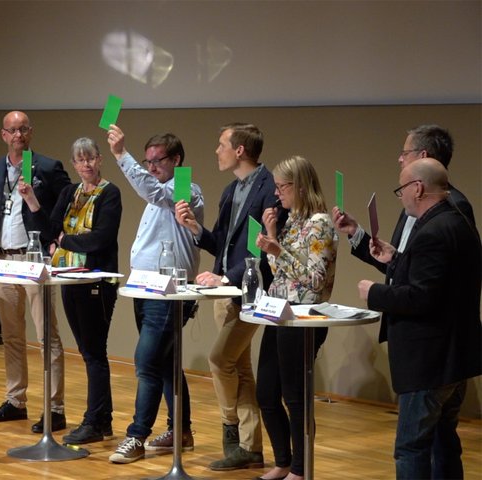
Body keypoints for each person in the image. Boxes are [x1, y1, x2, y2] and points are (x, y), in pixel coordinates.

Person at [357, 158, 480, 480]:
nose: (401, 198)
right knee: (444, 442)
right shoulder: (459, 222)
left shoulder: (432, 232)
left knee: (411, 448)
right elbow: (439, 283)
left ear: (418, 188)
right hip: (455, 358)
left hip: (429, 361)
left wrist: (374, 293)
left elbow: (421, 297)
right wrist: (395, 259)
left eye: (401, 190)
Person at [175, 123, 283, 471]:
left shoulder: (268, 188)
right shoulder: (230, 190)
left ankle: (231, 430)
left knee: (220, 359)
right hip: (225, 292)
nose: (216, 151)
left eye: (221, 144)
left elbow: (262, 251)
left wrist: (225, 277)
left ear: (239, 150)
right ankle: (250, 449)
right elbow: (221, 244)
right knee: (240, 368)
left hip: (250, 292)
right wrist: (195, 228)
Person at [0, 111, 72, 433]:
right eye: (12, 130)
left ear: (31, 133)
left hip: (34, 258)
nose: (18, 135)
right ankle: (15, 401)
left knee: (47, 335)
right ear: (3, 135)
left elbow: (65, 208)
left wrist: (43, 215)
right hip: (4, 260)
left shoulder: (48, 167)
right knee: (10, 335)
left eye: (23, 129)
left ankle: (55, 408)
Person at [105, 124, 204, 464]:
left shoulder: (185, 190)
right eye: (147, 162)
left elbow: (152, 192)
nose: (151, 168)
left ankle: (136, 436)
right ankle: (181, 431)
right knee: (165, 363)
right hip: (146, 288)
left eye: (157, 161)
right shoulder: (158, 192)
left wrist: (121, 154)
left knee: (147, 362)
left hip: (169, 292)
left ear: (176, 159)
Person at [19, 137, 122, 445]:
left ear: (99, 159)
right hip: (67, 279)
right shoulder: (69, 192)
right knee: (88, 352)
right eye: (80, 160)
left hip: (96, 281)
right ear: (74, 164)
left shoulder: (110, 193)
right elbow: (49, 230)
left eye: (90, 158)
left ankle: (94, 421)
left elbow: (100, 239)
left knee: (94, 353)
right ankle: (102, 420)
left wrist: (64, 241)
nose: (86, 164)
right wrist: (32, 201)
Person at [253, 156, 338, 480]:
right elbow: (280, 273)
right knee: (266, 392)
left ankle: (301, 470)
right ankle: (284, 461)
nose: (277, 194)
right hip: (279, 312)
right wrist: (273, 235)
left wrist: (278, 251)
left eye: (282, 187)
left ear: (300, 186)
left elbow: (315, 280)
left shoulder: (320, 223)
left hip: (304, 317)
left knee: (295, 396)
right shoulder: (292, 221)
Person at [332, 124, 475, 274]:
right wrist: (355, 232)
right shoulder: (412, 202)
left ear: (423, 156)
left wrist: (375, 288)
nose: (400, 159)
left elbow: (438, 274)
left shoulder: (455, 206)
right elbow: (397, 268)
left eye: (405, 153)